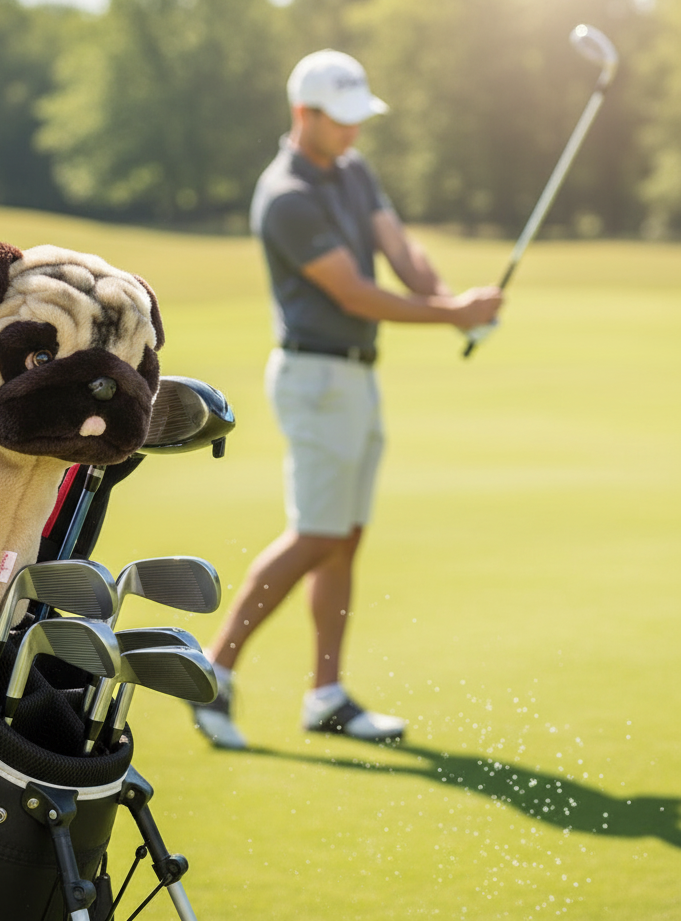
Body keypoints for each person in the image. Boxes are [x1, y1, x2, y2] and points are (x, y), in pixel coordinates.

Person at [192, 49, 503, 749]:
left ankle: (326, 695)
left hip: (357, 376)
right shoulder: (287, 197)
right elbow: (355, 293)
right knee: (318, 534)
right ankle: (214, 672)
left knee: (345, 540)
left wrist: (447, 296)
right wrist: (453, 316)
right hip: (316, 378)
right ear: (304, 115)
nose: (355, 134)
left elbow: (398, 247)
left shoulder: (353, 170)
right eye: (342, 122)